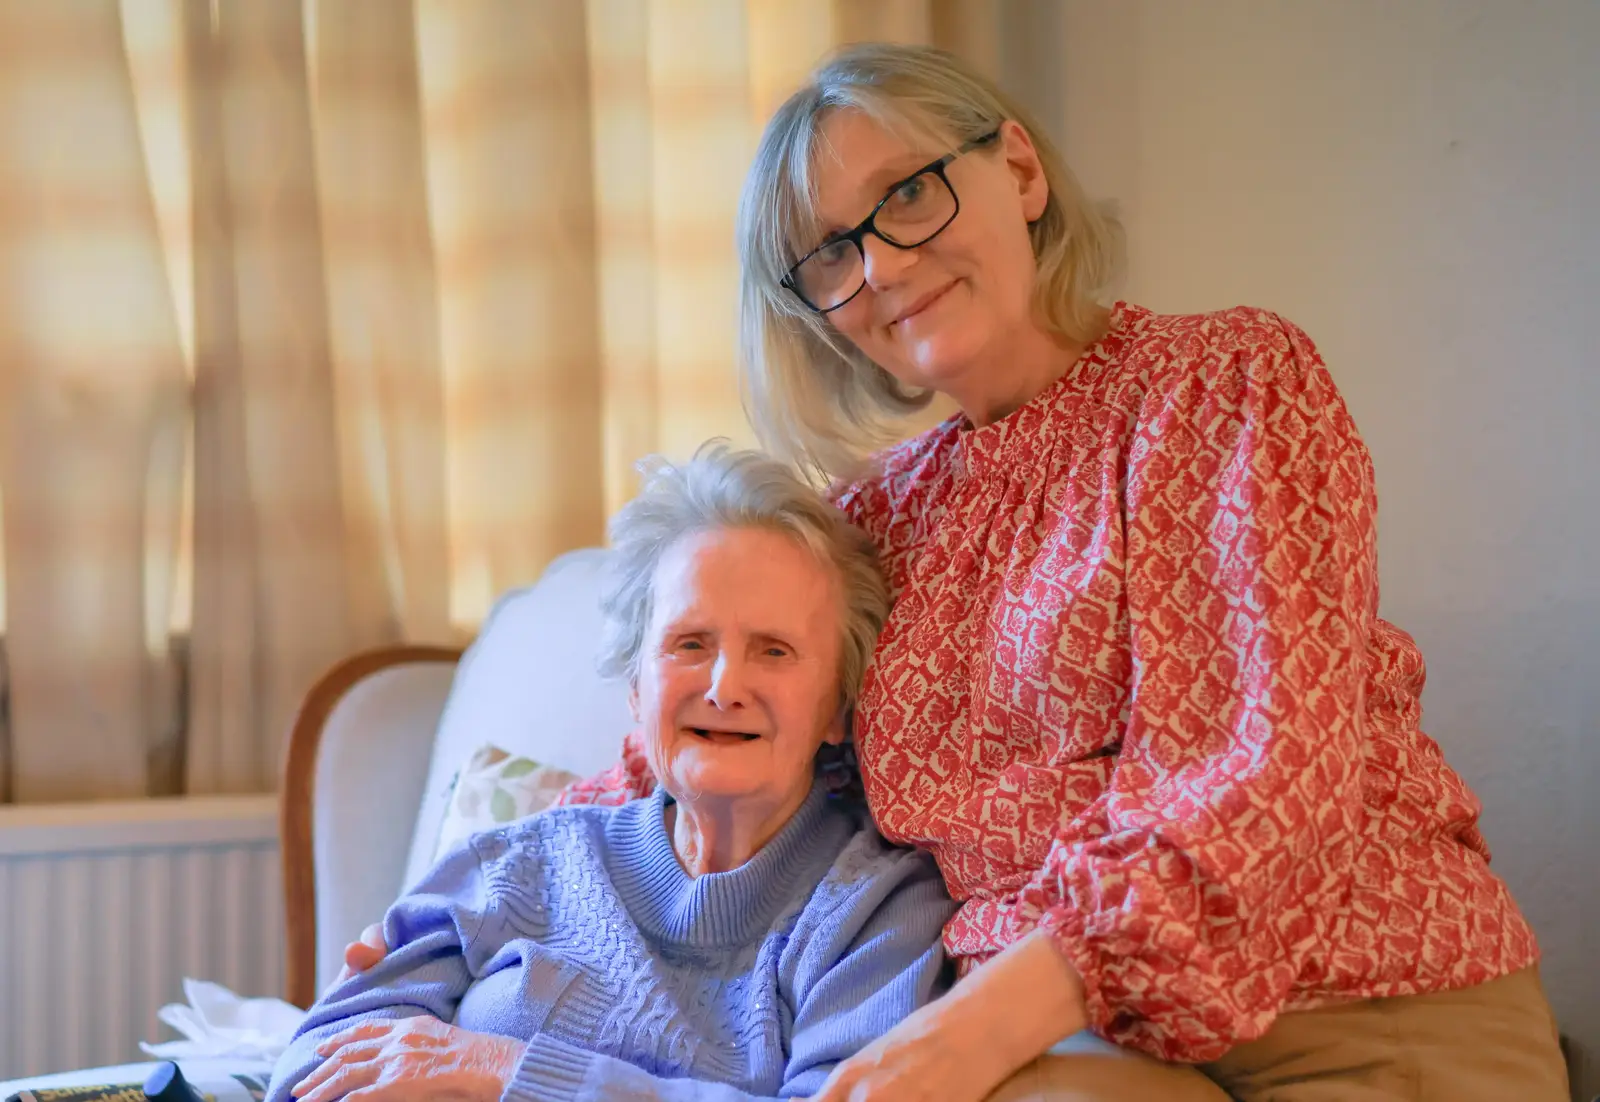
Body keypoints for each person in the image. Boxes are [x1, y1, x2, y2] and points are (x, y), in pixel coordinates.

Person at [342, 43, 1571, 1101]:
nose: (878, 265)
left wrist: (973, 1028)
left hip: (1356, 1002)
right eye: (829, 253)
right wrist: (458, 914)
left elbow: (1262, 766)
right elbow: (687, 746)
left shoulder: (1222, 385)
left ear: (1020, 172)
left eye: (906, 195)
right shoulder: (874, 520)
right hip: (1068, 1041)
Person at [267, 445, 957, 1102]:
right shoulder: (522, 861)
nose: (724, 687)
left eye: (774, 651)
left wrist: (507, 1073)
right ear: (636, 687)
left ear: (837, 707)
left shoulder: (874, 912)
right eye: (690, 643)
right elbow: (315, 1063)